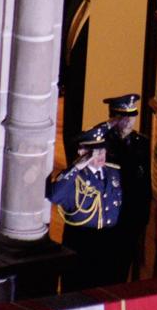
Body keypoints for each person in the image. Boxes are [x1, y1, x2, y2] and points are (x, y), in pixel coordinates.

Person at [47, 123, 124, 291]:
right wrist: (76, 167)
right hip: (81, 241)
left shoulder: (113, 172)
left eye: (102, 150)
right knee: (78, 288)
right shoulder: (74, 177)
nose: (101, 155)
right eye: (94, 152)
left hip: (108, 239)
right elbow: (54, 196)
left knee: (107, 288)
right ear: (82, 153)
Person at [103, 94, 152, 281]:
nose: (130, 122)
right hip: (110, 213)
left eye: (133, 117)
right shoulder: (103, 142)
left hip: (132, 213)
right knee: (108, 263)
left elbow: (145, 180)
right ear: (114, 118)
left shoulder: (141, 142)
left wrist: (144, 214)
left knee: (126, 262)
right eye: (124, 117)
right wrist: (107, 126)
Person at [60, 0, 93, 163]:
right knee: (69, 130)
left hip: (86, 84)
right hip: (70, 80)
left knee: (80, 132)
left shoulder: (102, 11)